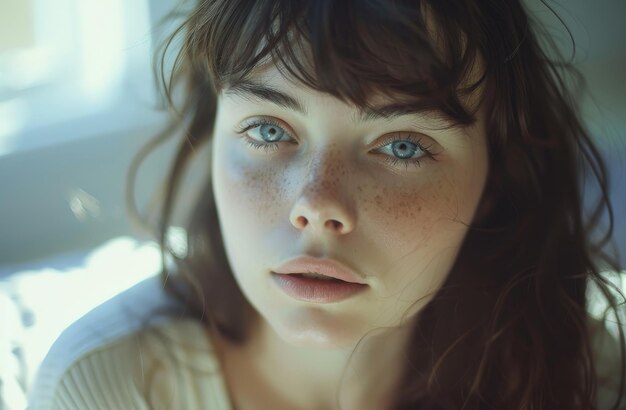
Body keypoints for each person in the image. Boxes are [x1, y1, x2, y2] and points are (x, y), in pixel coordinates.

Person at [30, 0, 625, 409]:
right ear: (211, 139)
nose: (317, 204)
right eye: (267, 130)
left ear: (495, 175)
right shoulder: (106, 388)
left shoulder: (582, 371)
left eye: (401, 145)